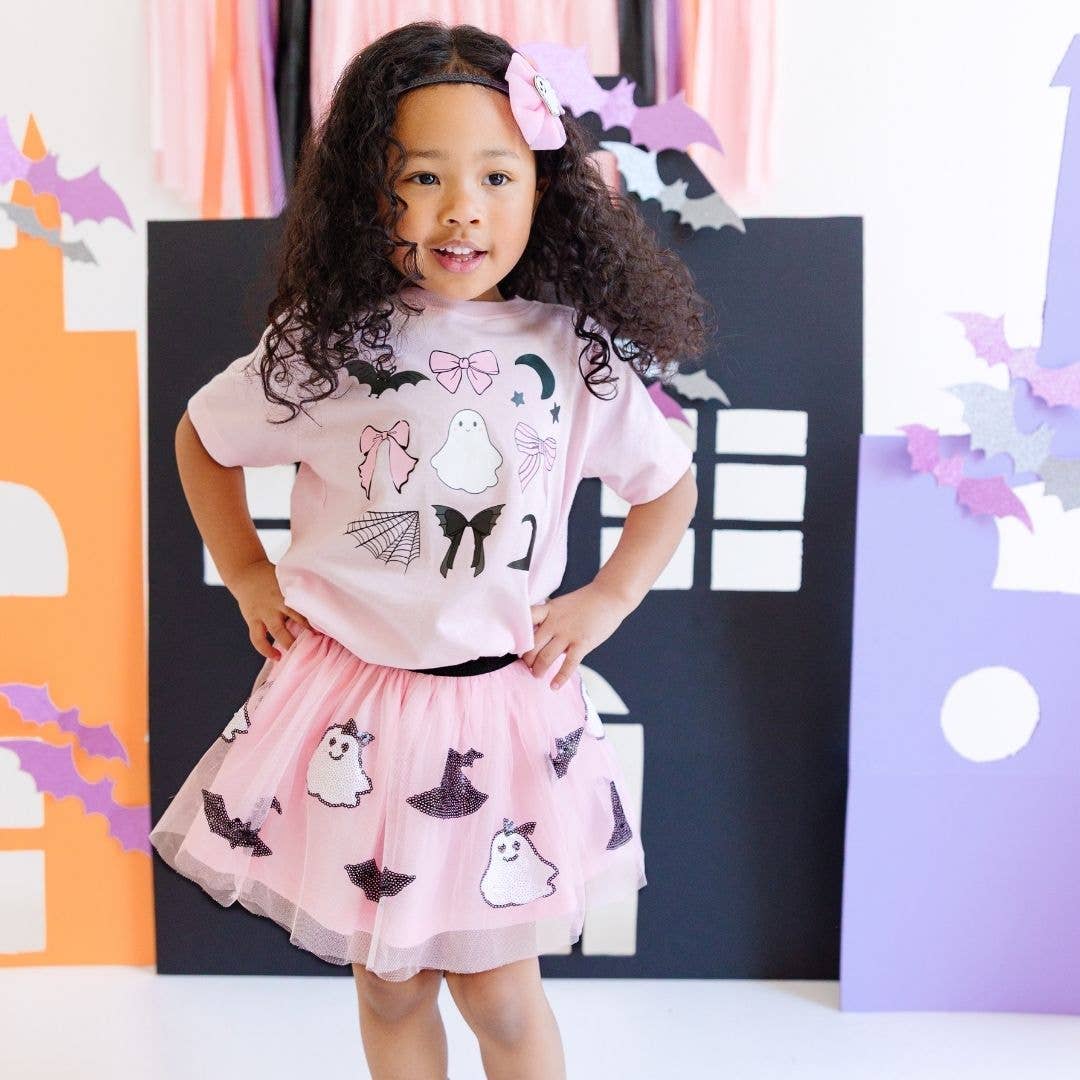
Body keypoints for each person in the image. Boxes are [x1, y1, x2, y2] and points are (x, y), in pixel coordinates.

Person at [149, 19, 709, 1080]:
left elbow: (667, 483)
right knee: (390, 984)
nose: (463, 209)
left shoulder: (570, 353)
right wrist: (249, 572)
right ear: (372, 192)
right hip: (352, 707)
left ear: (543, 190)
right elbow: (203, 438)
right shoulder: (331, 342)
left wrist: (608, 598)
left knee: (501, 993)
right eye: (423, 177)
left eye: (497, 175)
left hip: (498, 712)